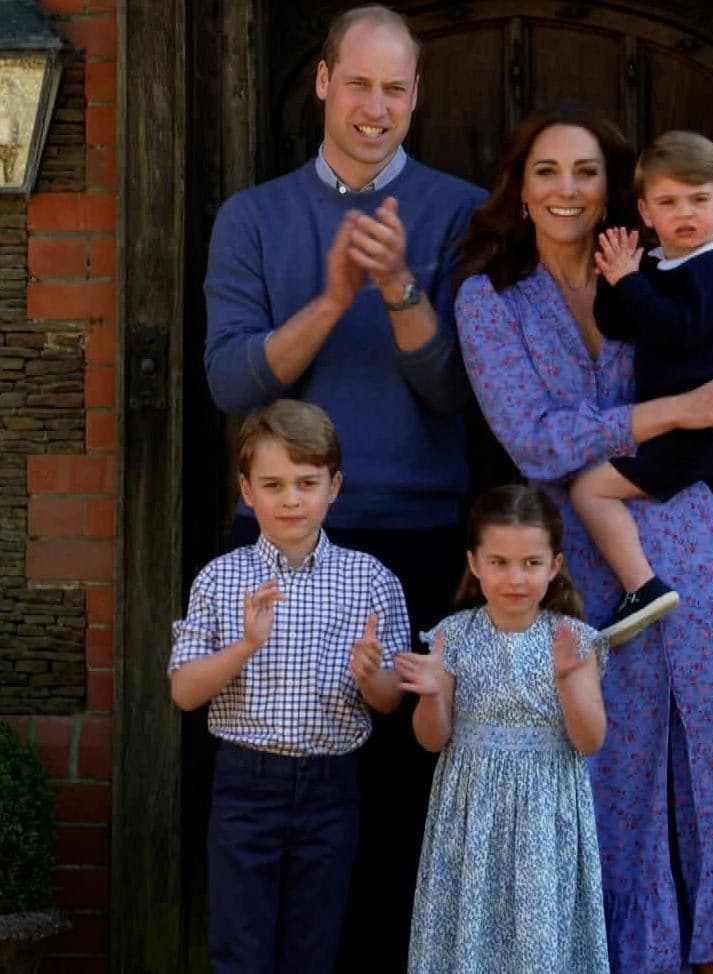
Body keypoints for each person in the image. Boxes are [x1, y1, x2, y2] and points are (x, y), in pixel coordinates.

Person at [454, 104, 713, 974]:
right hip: (576, 566)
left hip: (694, 541)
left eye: (585, 172)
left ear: (617, 193)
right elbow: (534, 439)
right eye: (547, 171)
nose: (566, 189)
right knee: (609, 786)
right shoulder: (489, 298)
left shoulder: (664, 268)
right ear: (520, 189)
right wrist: (682, 409)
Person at [202, 6, 486, 968]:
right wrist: (330, 299)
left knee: (401, 798)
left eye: (394, 88)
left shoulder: (461, 213)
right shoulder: (253, 216)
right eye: (357, 83)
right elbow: (234, 382)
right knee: (275, 797)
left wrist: (401, 287)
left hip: (414, 535)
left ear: (416, 97)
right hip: (281, 540)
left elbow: (455, 392)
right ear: (322, 82)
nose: (375, 107)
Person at [168, 399, 408, 973]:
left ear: (334, 486)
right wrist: (246, 645)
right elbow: (184, 691)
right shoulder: (221, 578)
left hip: (331, 787)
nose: (292, 499)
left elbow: (391, 700)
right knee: (239, 947)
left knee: (313, 948)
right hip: (245, 785)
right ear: (246, 491)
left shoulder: (370, 579)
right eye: (273, 484)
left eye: (307, 482)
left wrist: (372, 674)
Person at [393, 484, 610, 974]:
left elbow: (590, 741)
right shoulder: (454, 635)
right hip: (471, 812)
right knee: (470, 933)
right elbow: (432, 739)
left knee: (538, 940)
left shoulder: (574, 640)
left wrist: (570, 681)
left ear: (554, 566)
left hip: (545, 811)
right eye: (499, 562)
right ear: (474, 563)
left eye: (531, 563)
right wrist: (430, 693)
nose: (515, 577)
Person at [570, 130, 713, 646]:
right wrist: (615, 276)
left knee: (589, 488)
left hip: (691, 434)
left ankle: (642, 589)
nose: (685, 213)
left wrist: (632, 282)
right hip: (667, 426)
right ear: (647, 213)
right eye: (669, 202)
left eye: (699, 199)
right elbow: (620, 324)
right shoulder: (659, 265)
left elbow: (677, 329)